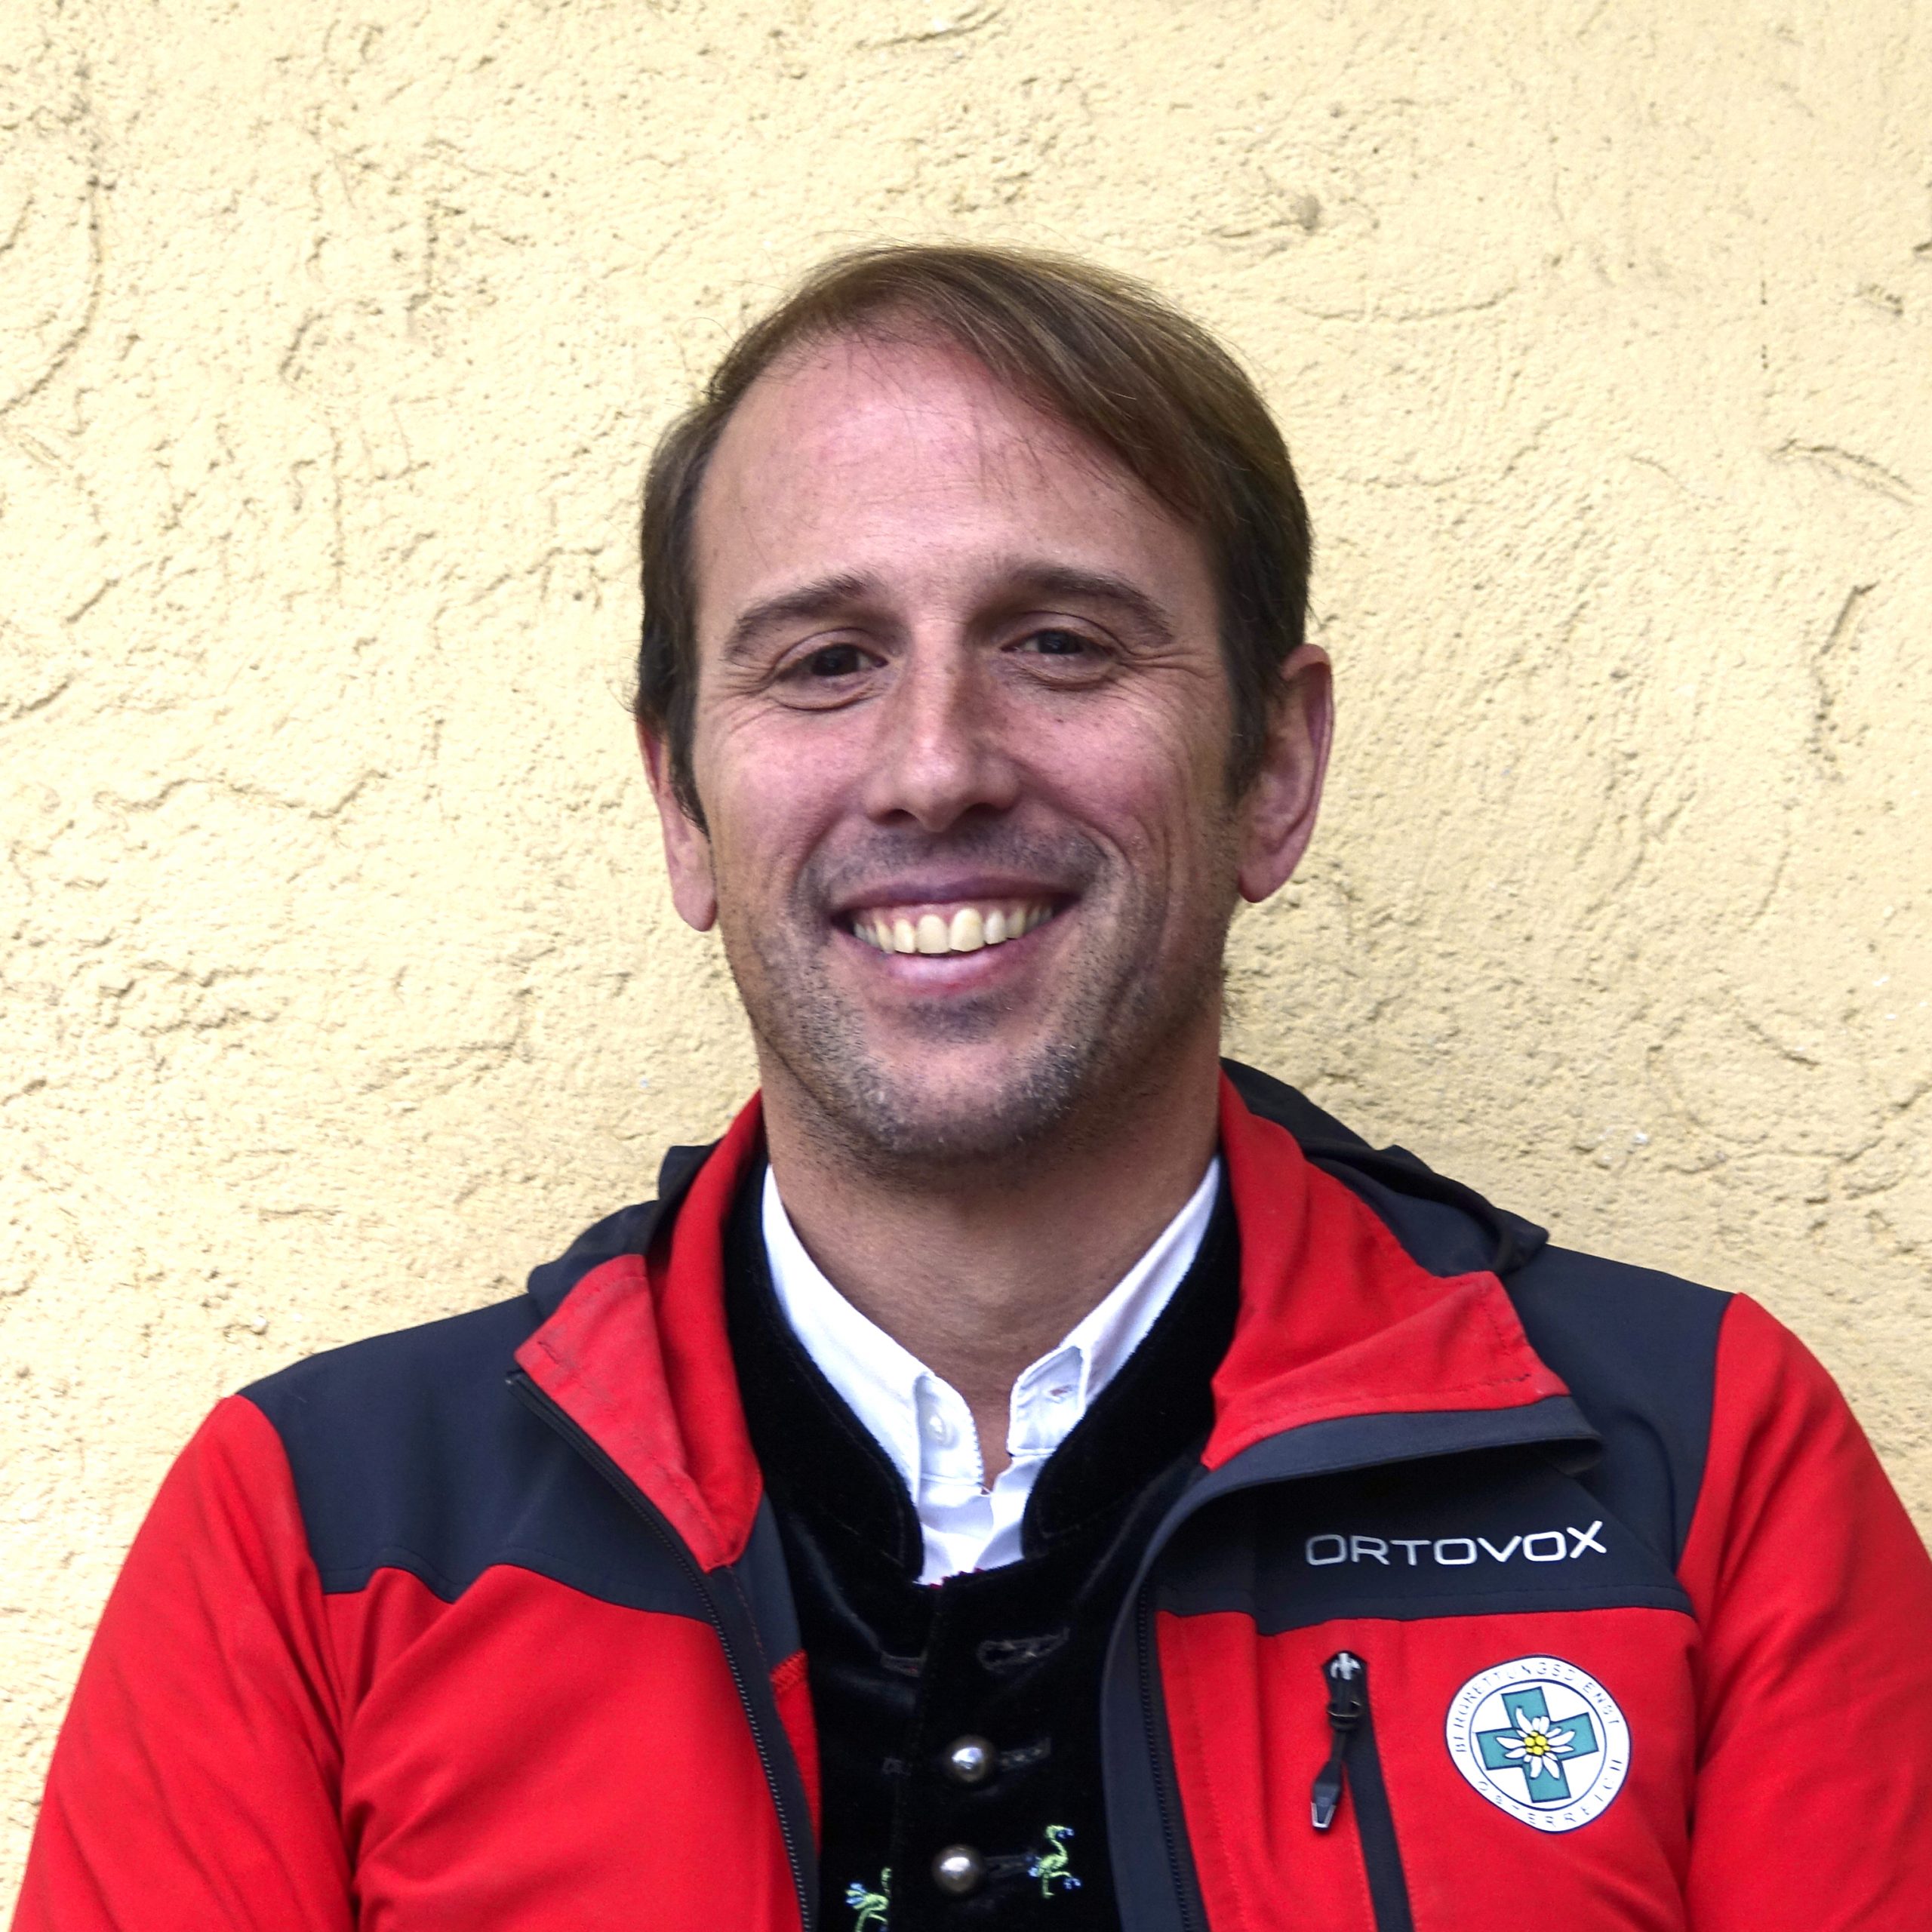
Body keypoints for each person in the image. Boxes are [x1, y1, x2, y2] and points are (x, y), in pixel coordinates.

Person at [14, 245, 1932, 1932]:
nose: (935, 764)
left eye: (1059, 644)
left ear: (1270, 767)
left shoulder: (1696, 1471)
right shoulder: (321, 1537)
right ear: (681, 801)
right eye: (825, 660)